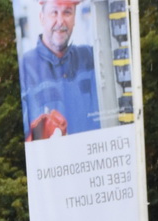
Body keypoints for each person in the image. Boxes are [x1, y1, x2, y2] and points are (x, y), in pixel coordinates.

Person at [18, 0, 99, 140]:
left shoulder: (92, 58)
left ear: (74, 18)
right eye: (54, 13)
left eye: (67, 12)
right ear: (42, 18)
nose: (60, 21)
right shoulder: (24, 69)